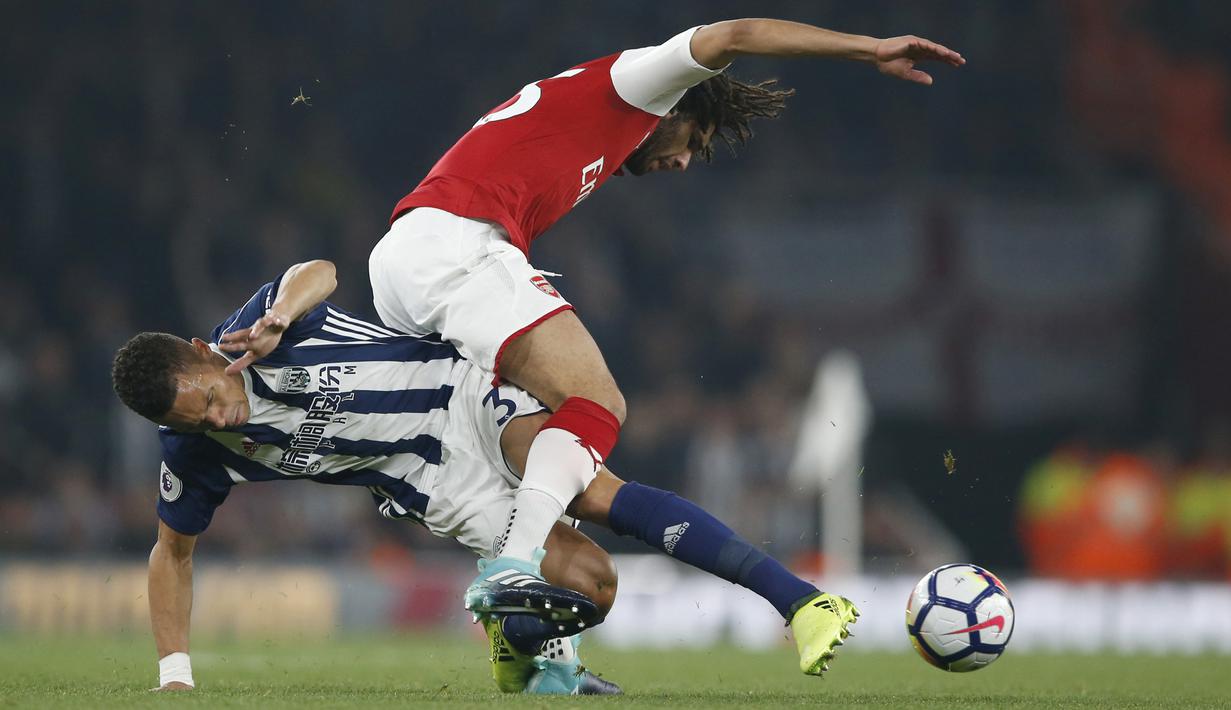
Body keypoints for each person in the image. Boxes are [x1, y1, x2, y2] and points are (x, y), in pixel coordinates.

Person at [367, 18, 963, 656]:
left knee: (566, 476)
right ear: (676, 104)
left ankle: (541, 659)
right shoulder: (635, 83)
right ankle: (511, 570)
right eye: (695, 140)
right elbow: (737, 32)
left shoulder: (595, 131)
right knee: (598, 404)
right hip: (455, 244)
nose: (683, 161)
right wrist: (868, 48)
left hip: (407, 266)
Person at [113, 261, 860, 694]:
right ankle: (518, 636)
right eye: (198, 422)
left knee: (588, 487)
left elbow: (320, 271)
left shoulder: (259, 330)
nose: (220, 417)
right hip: (432, 485)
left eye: (210, 397)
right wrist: (174, 674)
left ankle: (798, 603)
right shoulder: (196, 452)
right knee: (593, 588)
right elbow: (170, 553)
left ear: (200, 353)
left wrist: (279, 313)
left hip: (462, 392)